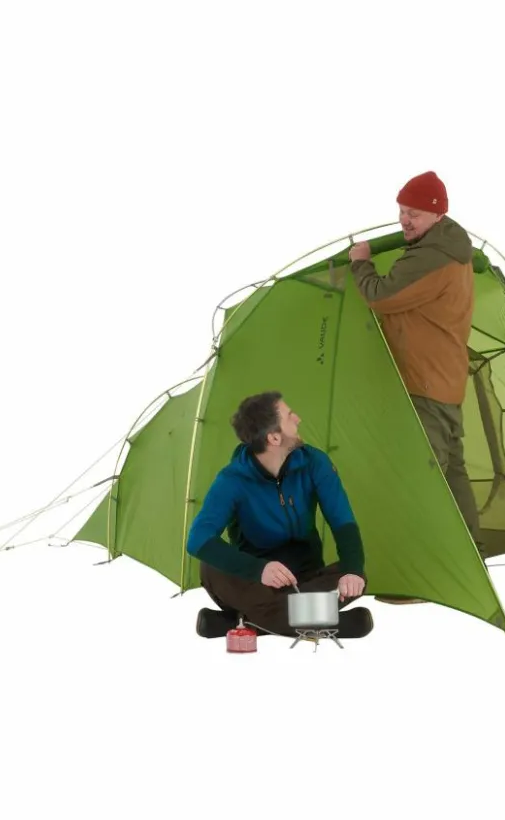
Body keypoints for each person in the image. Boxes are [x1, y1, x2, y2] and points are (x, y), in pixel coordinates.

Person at [348, 171, 482, 602]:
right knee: (451, 474)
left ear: (437, 214)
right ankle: (469, 561)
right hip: (444, 381)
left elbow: (380, 296)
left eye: (415, 214)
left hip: (425, 384)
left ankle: (422, 578)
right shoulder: (447, 247)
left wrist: (361, 262)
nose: (405, 221)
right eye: (402, 211)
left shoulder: (432, 257)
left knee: (421, 481)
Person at [186, 391, 373, 639]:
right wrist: (259, 569)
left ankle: (245, 623)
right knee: (210, 566)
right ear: (274, 437)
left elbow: (343, 522)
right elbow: (197, 539)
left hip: (305, 579)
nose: (298, 419)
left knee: (355, 576)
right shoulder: (231, 480)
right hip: (255, 584)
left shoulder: (315, 462)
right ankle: (331, 622)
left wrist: (353, 571)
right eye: (289, 416)